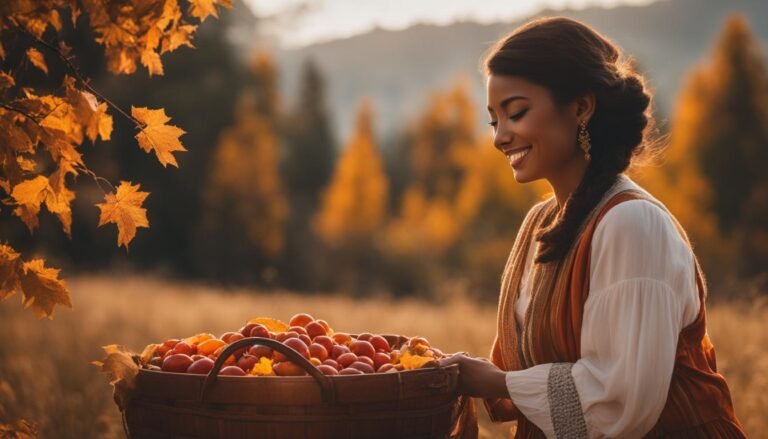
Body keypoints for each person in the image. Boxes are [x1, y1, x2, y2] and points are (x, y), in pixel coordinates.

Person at [438, 16, 747, 438]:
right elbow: (525, 373)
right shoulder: (539, 223)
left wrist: (492, 382)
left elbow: (617, 403)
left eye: (516, 113)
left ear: (582, 107)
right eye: (495, 120)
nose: (499, 137)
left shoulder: (632, 224)